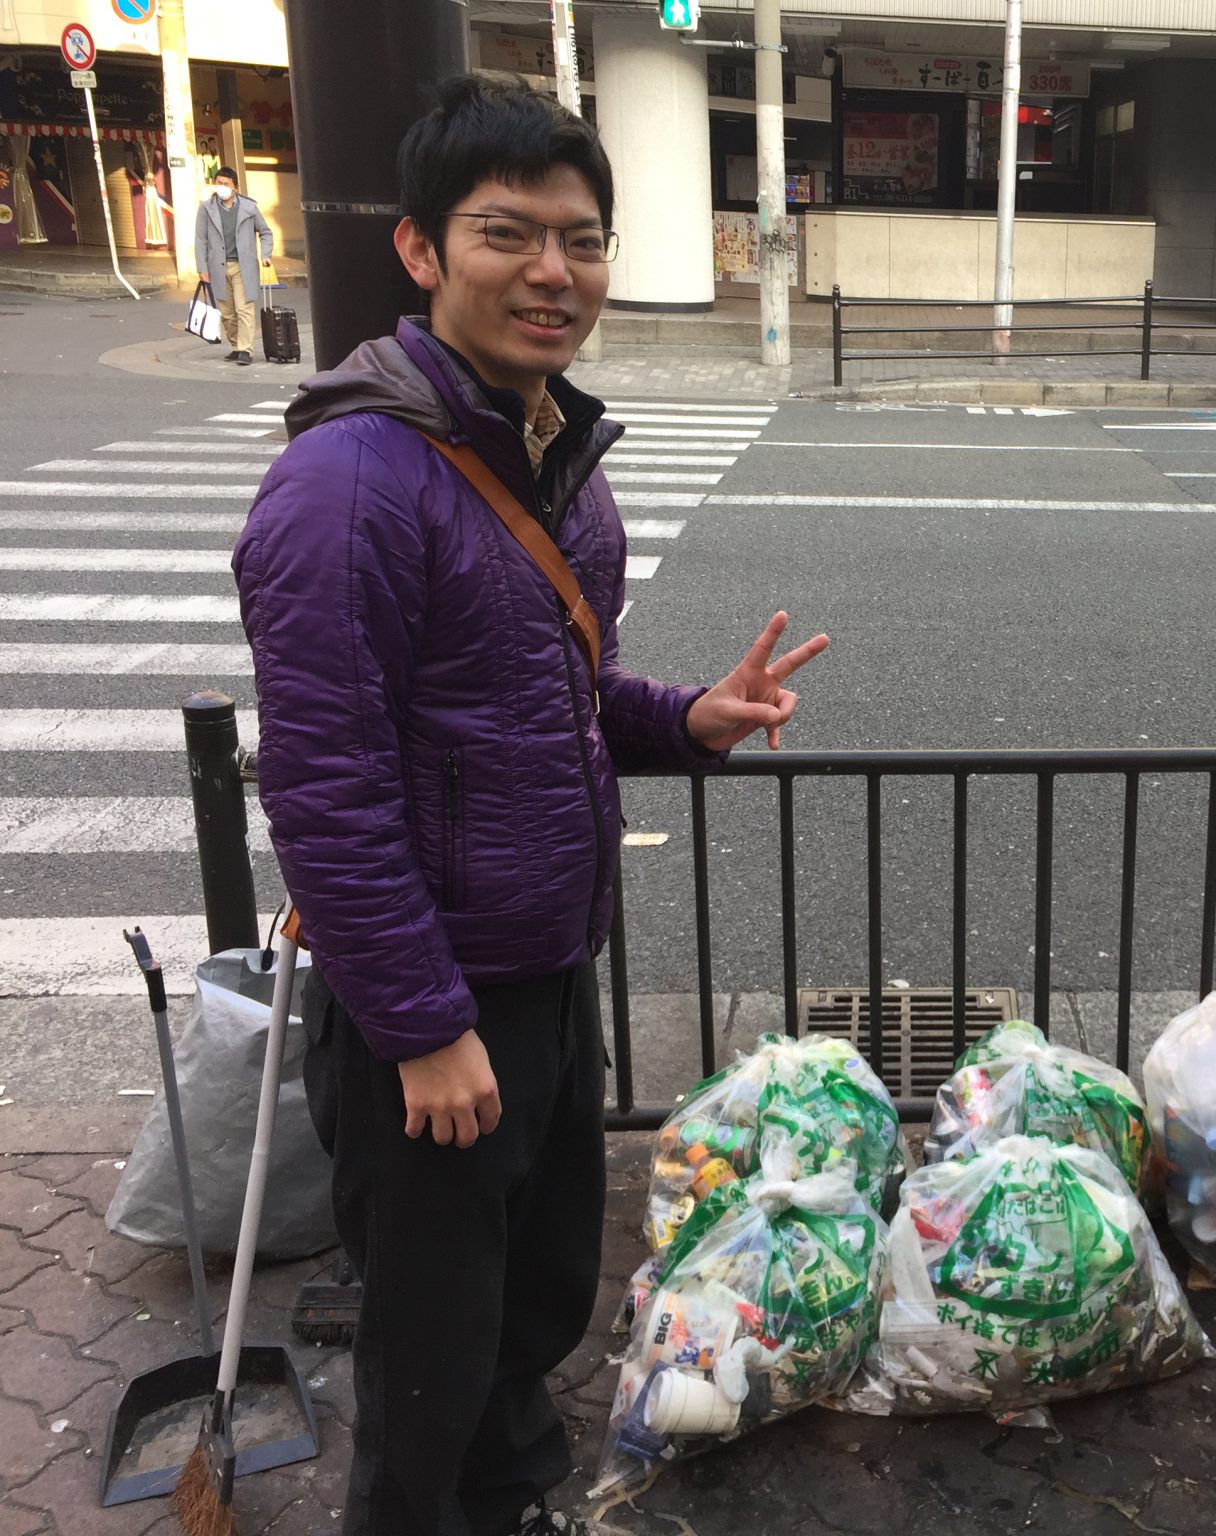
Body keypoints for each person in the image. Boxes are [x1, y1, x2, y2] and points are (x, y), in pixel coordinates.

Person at [231, 74, 828, 1536]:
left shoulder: (550, 451)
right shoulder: (351, 483)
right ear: (424, 251)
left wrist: (687, 718)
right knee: (430, 1343)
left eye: (584, 239)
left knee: (539, 1290)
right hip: (429, 1008)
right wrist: (425, 1028)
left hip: (545, 964)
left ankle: (516, 1502)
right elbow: (326, 781)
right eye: (511, 234)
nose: (554, 272)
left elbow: (551, 699)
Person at [195, 166, 271, 364]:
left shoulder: (248, 207)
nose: (221, 187)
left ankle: (246, 349)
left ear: (235, 187)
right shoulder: (206, 208)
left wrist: (265, 254)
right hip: (217, 267)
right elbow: (200, 239)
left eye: (226, 184)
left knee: (244, 308)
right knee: (227, 313)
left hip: (243, 266)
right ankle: (236, 346)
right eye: (218, 183)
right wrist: (201, 267)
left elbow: (265, 232)